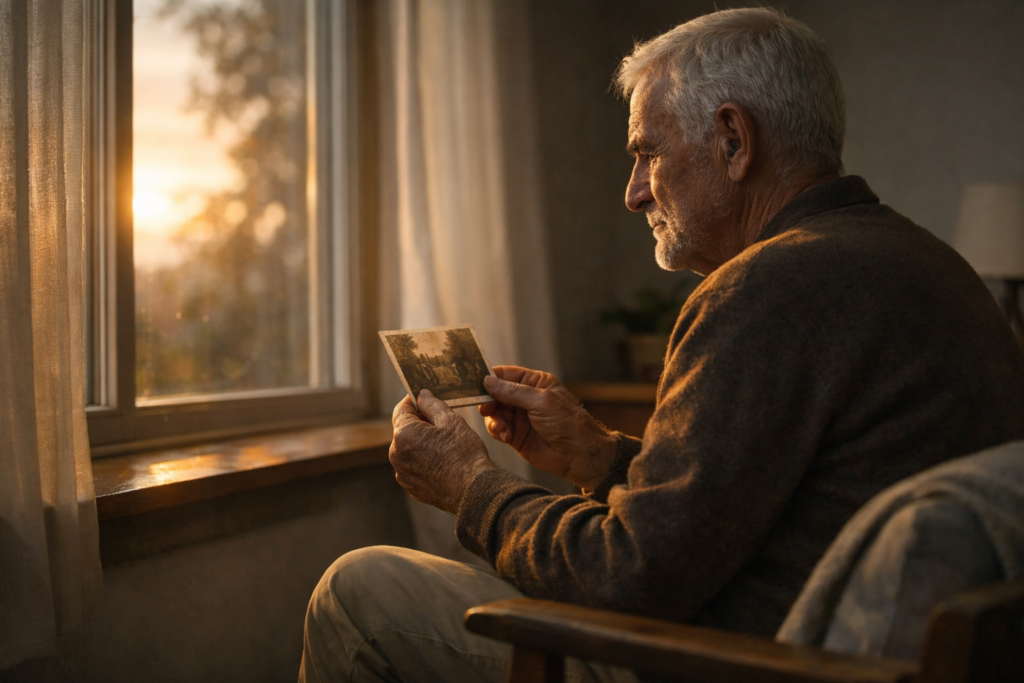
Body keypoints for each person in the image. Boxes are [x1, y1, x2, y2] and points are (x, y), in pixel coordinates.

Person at [299, 8, 1024, 683]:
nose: (633, 192)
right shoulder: (933, 267)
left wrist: (471, 488)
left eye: (646, 153)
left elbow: (627, 576)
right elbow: (743, 505)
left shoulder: (765, 289)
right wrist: (597, 455)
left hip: (734, 659)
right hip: (800, 638)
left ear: (733, 140)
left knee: (359, 588)